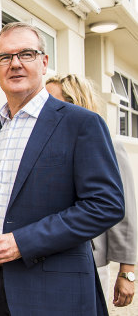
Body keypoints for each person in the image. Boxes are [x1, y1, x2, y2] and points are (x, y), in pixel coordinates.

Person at [0, 22, 125, 315]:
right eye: (5, 57)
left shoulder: (81, 124)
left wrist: (23, 242)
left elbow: (105, 205)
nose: (16, 64)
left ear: (44, 62)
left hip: (53, 295)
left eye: (26, 54)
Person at [46, 74, 137, 308]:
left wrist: (127, 271)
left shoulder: (108, 144)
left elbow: (123, 210)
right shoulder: (46, 144)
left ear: (74, 101)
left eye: (50, 99)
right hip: (49, 257)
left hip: (90, 260)